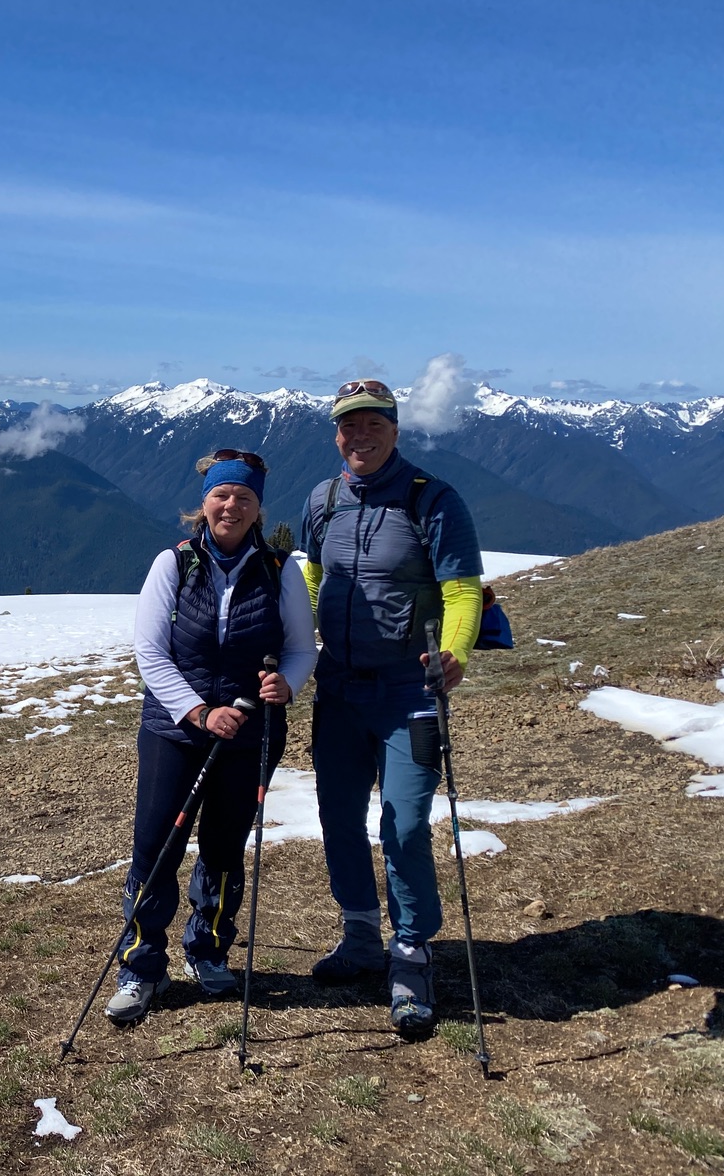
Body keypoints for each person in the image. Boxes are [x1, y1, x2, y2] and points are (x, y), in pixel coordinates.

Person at [106, 449, 318, 1025]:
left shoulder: (281, 570)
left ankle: (208, 950)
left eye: (244, 498)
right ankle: (141, 965)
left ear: (257, 508)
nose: (231, 506)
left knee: (224, 849)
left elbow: (301, 649)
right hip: (174, 732)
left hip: (250, 732)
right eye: (222, 495)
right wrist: (199, 712)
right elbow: (150, 653)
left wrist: (287, 685)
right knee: (157, 848)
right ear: (204, 504)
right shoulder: (173, 564)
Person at [297, 379, 484, 1035]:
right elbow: (314, 576)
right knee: (339, 817)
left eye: (373, 424)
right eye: (349, 425)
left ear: (396, 429)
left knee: (403, 824)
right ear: (336, 435)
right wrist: (295, 637)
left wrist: (455, 655)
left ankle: (411, 954)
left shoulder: (433, 499)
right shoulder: (322, 500)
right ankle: (359, 937)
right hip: (339, 689)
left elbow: (463, 591)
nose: (361, 436)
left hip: (411, 691)